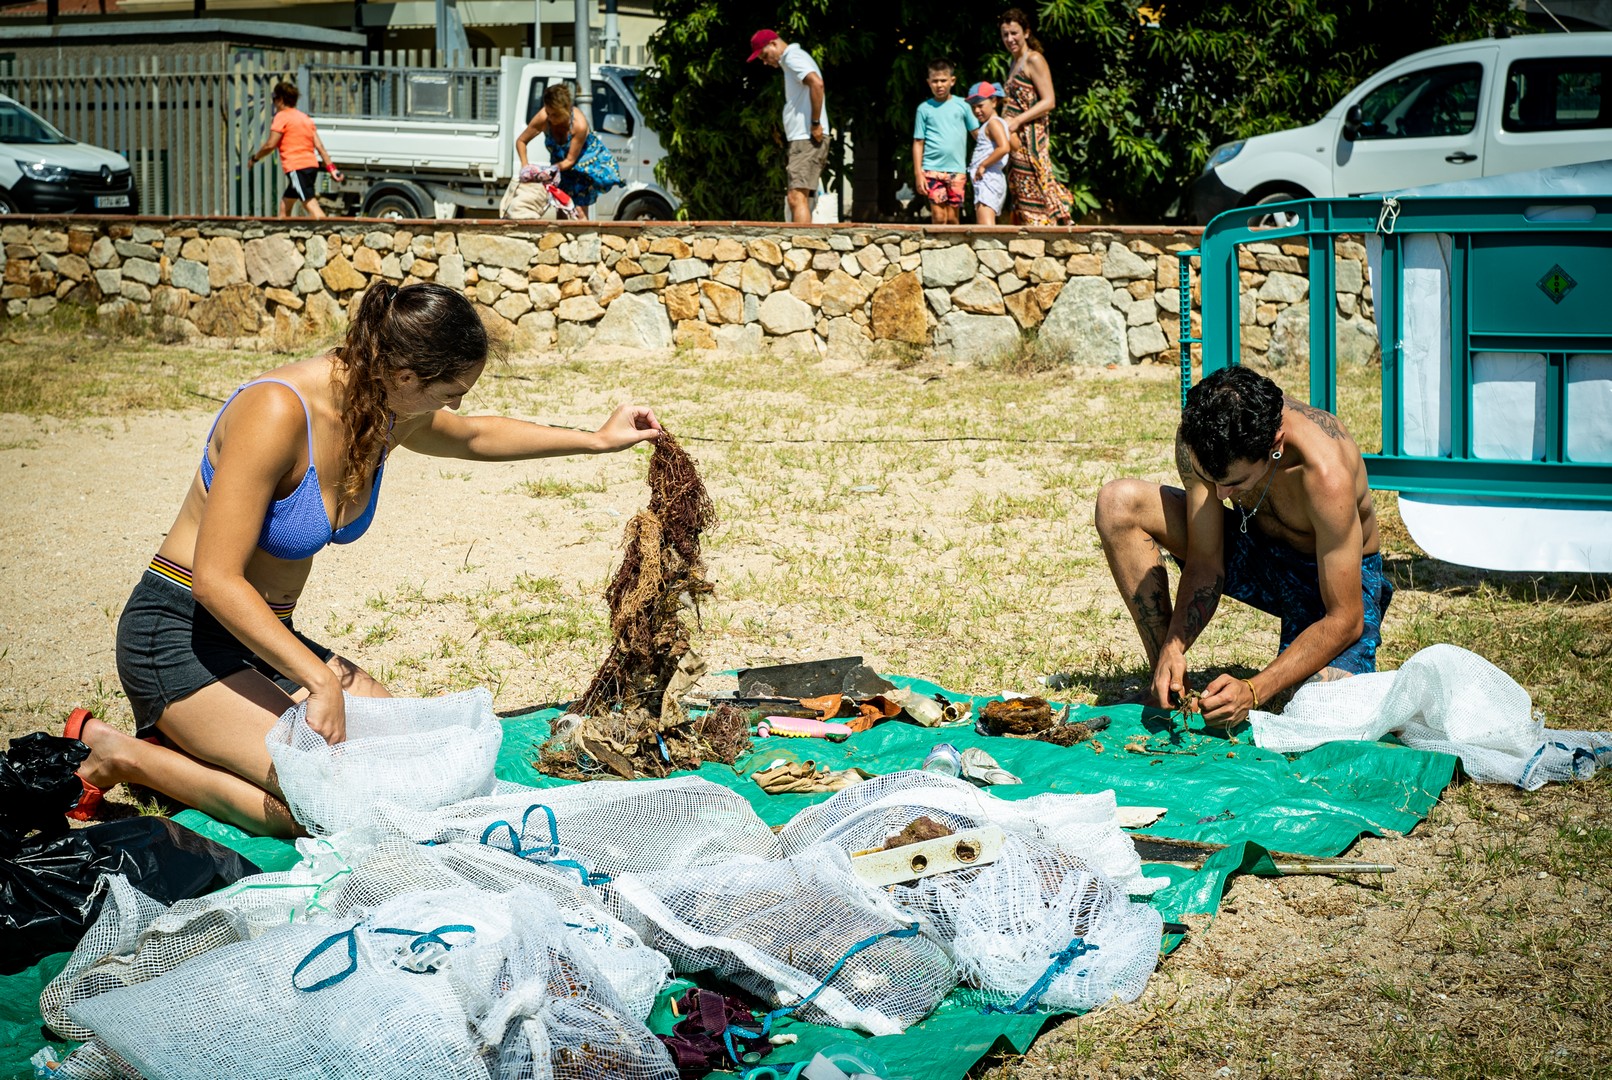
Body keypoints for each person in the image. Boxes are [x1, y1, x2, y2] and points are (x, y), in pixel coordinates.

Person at [71, 284, 662, 837]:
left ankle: (201, 737)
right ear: (403, 373)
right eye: (449, 392)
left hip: (262, 637)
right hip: (177, 633)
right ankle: (124, 754)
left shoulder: (382, 407)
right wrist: (317, 677)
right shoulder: (276, 412)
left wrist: (595, 439)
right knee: (319, 807)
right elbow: (215, 580)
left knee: (401, 762)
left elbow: (472, 436)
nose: (454, 406)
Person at [1093, 366, 1394, 728]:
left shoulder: (1325, 473)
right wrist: (1173, 646)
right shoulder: (1203, 439)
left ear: (1276, 445)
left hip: (1328, 582)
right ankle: (1168, 685)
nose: (1220, 495)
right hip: (1260, 550)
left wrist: (1253, 691)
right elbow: (1206, 561)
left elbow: (1345, 618)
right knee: (1118, 503)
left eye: (1235, 483)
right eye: (1211, 480)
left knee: (1325, 714)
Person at [997, 7, 1073, 226]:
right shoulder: (1013, 63)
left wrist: (1018, 120)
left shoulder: (1034, 60)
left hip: (1031, 139)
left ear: (1026, 33)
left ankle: (1054, 228)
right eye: (1005, 35)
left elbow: (1049, 101)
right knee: (1021, 188)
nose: (1010, 39)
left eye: (1014, 33)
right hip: (1015, 141)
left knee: (1039, 184)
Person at [748, 28, 828, 225]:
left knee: (796, 197)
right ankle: (805, 245)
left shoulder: (792, 57)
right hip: (803, 137)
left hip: (806, 137)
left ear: (773, 44)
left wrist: (815, 123)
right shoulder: (794, 58)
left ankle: (801, 248)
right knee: (804, 198)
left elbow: (817, 84)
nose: (766, 62)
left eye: (765, 56)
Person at [514, 83, 622, 222]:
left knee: (579, 212)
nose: (550, 118)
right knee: (561, 208)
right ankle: (562, 241)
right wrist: (525, 167)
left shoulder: (579, 125)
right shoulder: (544, 117)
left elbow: (570, 160)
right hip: (559, 166)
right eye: (548, 112)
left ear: (566, 109)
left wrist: (550, 170)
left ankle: (585, 240)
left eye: (555, 114)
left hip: (583, 163)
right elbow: (521, 141)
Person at [250, 82, 341, 220]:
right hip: (310, 167)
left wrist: (254, 158)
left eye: (274, 98)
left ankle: (328, 235)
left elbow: (270, 144)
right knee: (284, 206)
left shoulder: (281, 117)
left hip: (297, 168)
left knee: (310, 204)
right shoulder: (305, 118)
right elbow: (320, 146)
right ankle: (284, 237)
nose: (273, 103)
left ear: (280, 99)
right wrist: (331, 168)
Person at [911, 58, 978, 226]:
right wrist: (919, 173)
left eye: (943, 80)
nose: (939, 85)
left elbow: (977, 134)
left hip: (957, 170)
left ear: (952, 81)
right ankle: (936, 250)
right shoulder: (924, 109)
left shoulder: (963, 105)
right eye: (935, 81)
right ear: (928, 83)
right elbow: (918, 142)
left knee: (953, 218)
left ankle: (953, 251)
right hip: (932, 169)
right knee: (939, 217)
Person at [964, 81, 1017, 226]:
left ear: (994, 102)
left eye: (980, 106)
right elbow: (1015, 145)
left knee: (985, 226)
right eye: (973, 107)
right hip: (987, 179)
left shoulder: (993, 123)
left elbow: (1004, 147)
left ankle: (989, 249)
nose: (976, 111)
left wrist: (983, 165)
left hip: (988, 178)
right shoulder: (996, 123)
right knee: (983, 222)